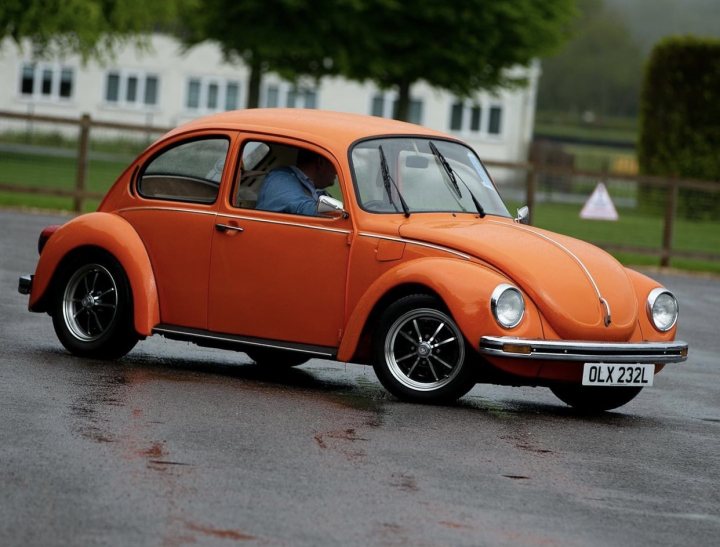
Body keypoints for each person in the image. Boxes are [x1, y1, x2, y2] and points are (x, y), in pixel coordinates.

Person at [256, 149, 336, 216]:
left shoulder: (312, 188)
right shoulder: (281, 178)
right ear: (320, 163)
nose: (336, 172)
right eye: (335, 164)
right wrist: (341, 211)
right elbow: (304, 209)